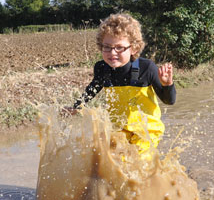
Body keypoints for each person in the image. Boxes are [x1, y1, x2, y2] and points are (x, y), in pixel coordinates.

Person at [71, 13, 176, 153]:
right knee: (104, 158)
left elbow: (169, 101)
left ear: (134, 48)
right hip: (119, 128)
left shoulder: (147, 68)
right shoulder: (102, 68)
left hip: (147, 130)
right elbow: (93, 89)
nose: (112, 53)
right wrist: (76, 106)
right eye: (107, 47)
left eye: (119, 47)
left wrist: (167, 84)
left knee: (138, 163)